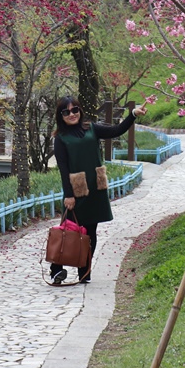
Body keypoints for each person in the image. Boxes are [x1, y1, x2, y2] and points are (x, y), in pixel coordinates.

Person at [49, 95, 147, 285]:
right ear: (60, 116)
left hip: (95, 189)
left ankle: (84, 271)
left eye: (75, 110)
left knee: (90, 232)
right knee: (66, 231)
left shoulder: (91, 128)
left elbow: (116, 130)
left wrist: (133, 114)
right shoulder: (60, 138)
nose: (71, 114)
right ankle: (56, 270)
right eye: (66, 112)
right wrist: (68, 194)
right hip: (76, 192)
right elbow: (63, 168)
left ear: (80, 110)